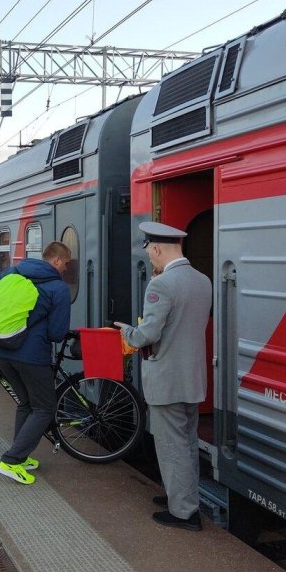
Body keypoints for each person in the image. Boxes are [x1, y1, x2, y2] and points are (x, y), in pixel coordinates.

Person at [115, 222, 212, 532]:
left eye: (149, 254)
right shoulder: (202, 280)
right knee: (186, 443)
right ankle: (182, 497)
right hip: (192, 378)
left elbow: (148, 334)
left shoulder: (161, 285)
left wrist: (126, 331)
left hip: (168, 379)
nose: (150, 261)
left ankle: (183, 512)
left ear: (156, 248)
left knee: (171, 446)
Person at [0, 241, 71, 485]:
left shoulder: (13, 272)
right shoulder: (58, 288)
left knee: (26, 403)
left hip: (1, 350)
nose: (66, 269)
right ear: (56, 260)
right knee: (45, 408)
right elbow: (58, 333)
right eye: (66, 263)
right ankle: (12, 460)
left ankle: (21, 455)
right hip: (31, 356)